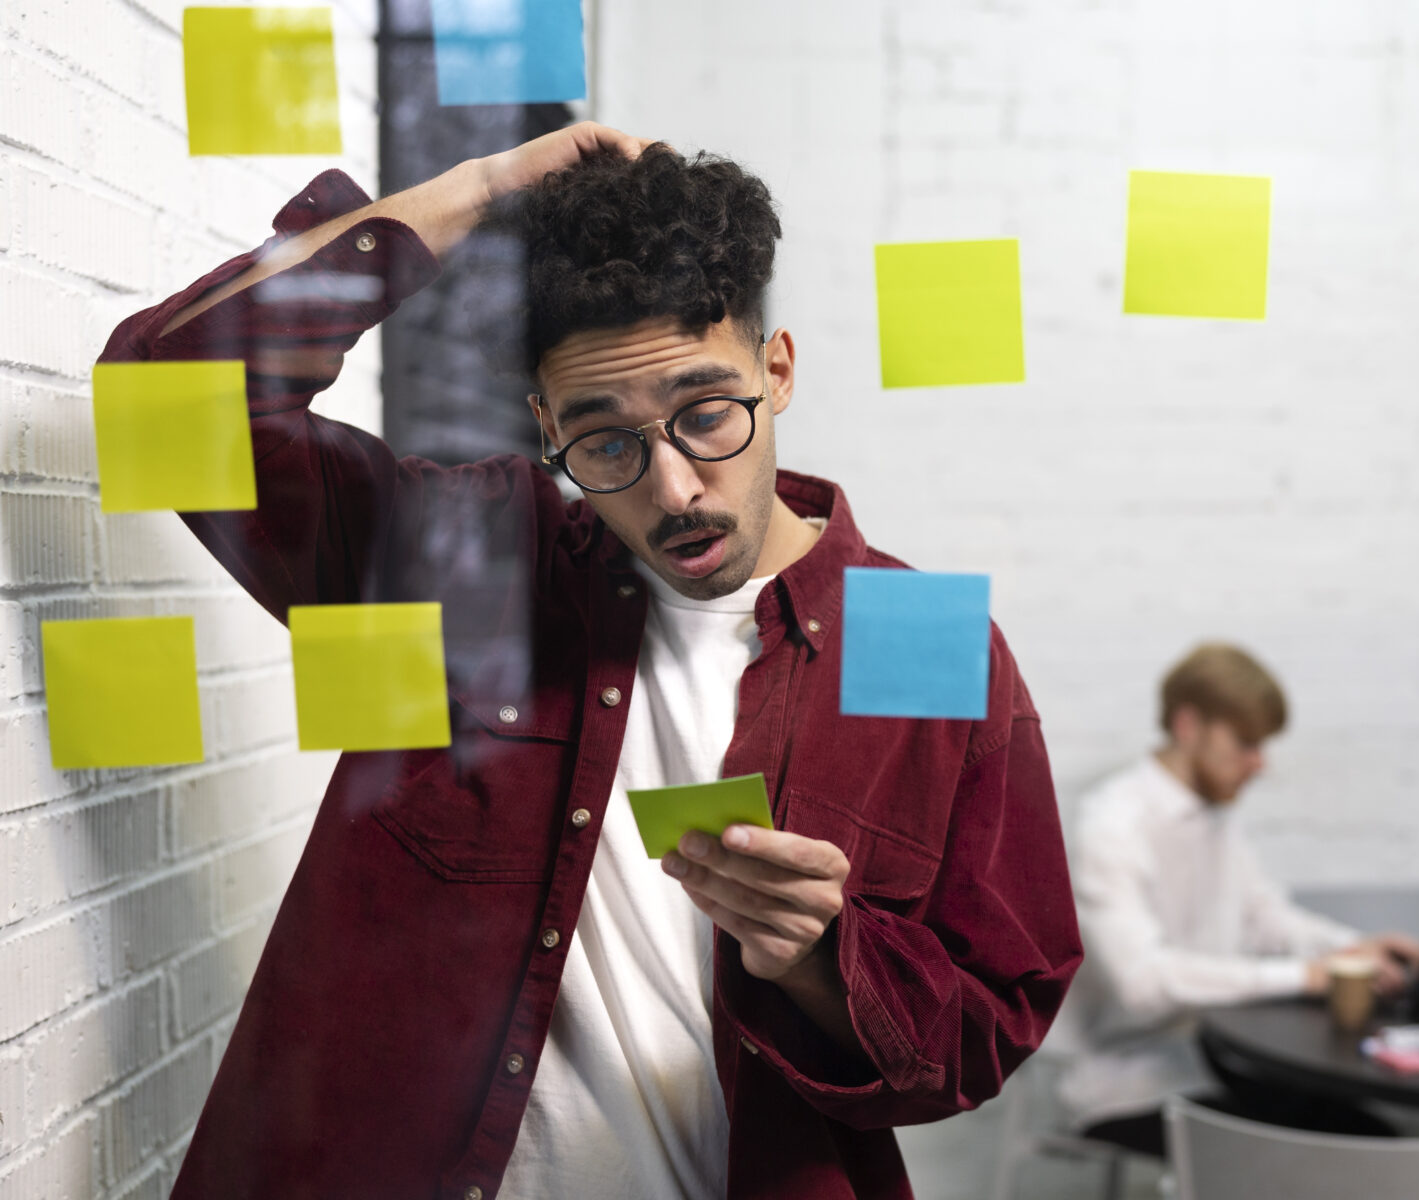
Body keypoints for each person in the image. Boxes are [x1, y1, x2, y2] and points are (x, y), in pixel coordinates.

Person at [100, 126, 1082, 1200]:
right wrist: (479, 189)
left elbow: (991, 1024)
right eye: (604, 442)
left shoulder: (925, 637)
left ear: (778, 370)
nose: (671, 489)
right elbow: (161, 397)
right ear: (545, 427)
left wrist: (817, 955)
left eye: (706, 415)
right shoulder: (476, 570)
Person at [1055, 643, 1419, 1157]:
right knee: (1340, 1157)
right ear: (1188, 725)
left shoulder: (1212, 812)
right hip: (1131, 1081)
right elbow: (1143, 984)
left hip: (1214, 1057)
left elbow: (1265, 917)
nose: (1259, 763)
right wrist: (1310, 975)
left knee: (1380, 1142)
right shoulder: (1111, 824)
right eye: (1246, 743)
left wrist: (1355, 949)